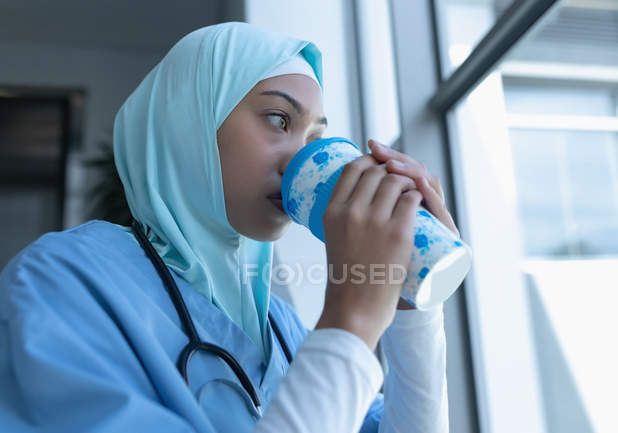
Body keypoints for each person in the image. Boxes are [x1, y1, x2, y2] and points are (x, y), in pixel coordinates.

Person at [0, 22, 457, 432]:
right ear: (190, 125)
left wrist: (411, 311)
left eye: (315, 138)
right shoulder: (60, 279)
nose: (302, 158)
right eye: (279, 120)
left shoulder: (277, 324)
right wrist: (349, 324)